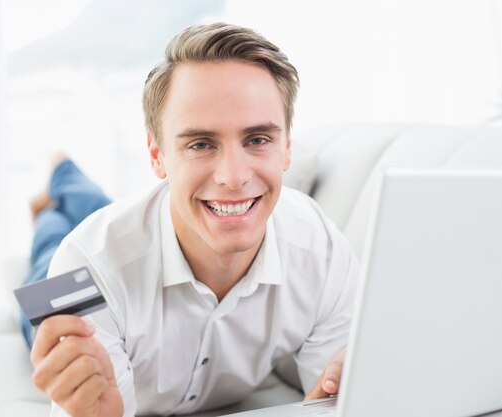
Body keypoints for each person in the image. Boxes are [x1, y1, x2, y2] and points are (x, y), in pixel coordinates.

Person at [30, 23, 358, 417]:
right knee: (50, 242)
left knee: (98, 208)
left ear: (287, 147)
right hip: (67, 265)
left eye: (257, 140)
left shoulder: (321, 249)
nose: (233, 177)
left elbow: (332, 397)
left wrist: (342, 395)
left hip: (142, 226)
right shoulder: (80, 264)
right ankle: (57, 184)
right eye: (201, 144)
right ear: (157, 155)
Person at [20, 154, 111, 347]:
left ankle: (61, 179)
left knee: (53, 227)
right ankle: (62, 172)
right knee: (105, 221)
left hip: (52, 291)